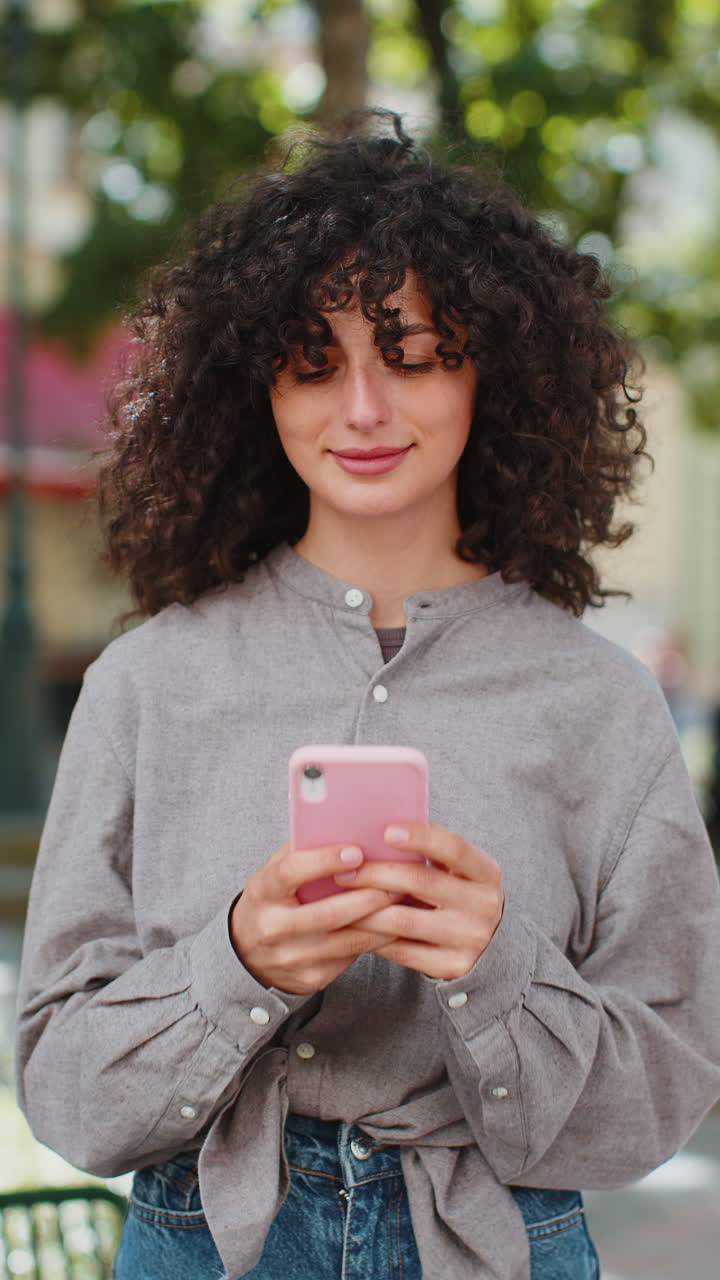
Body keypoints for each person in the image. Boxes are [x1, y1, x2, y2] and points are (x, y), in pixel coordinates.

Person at [16, 112, 720, 1280]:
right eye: (313, 363)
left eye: (412, 353)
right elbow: (61, 1086)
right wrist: (236, 964)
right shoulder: (147, 683)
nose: (361, 411)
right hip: (207, 1241)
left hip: (501, 1239)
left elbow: (663, 1093)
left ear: (493, 365)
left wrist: (500, 969)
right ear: (256, 386)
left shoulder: (602, 702)